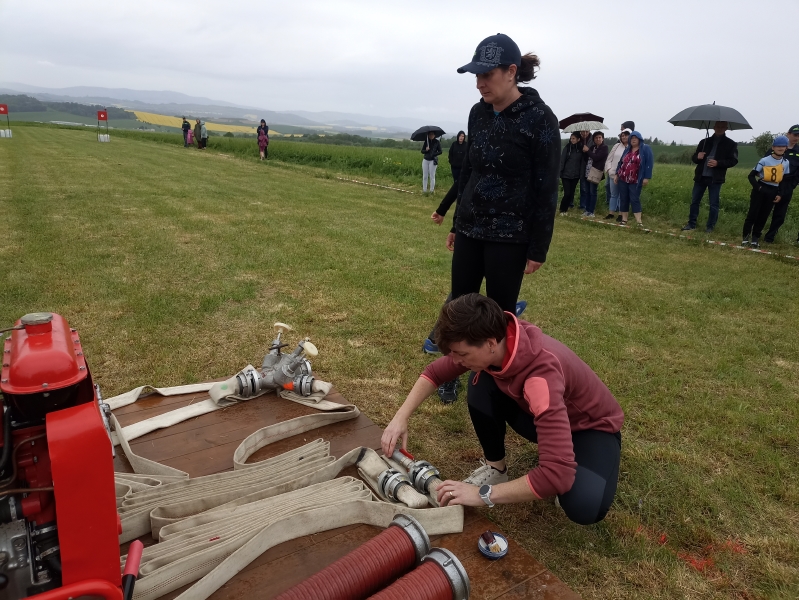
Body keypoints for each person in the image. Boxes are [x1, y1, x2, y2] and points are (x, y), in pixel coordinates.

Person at [382, 294, 624, 525]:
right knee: (481, 381)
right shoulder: (498, 340)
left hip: (590, 428)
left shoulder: (541, 379)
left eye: (461, 353)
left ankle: (574, 457)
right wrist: (400, 418)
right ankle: (496, 468)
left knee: (583, 506)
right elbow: (435, 372)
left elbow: (556, 474)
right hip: (540, 416)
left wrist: (482, 494)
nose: (455, 361)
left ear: (490, 343)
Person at [422, 33, 560, 404]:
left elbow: (547, 188)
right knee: (459, 307)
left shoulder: (540, 119)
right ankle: (452, 373)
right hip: (472, 227)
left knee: (498, 315)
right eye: (476, 76)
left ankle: (494, 383)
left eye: (487, 74)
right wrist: (456, 223)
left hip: (511, 236)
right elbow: (469, 171)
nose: (480, 83)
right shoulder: (478, 113)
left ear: (511, 72)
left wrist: (538, 247)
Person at [681, 121, 739, 234]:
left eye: (722, 127)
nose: (720, 128)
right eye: (718, 126)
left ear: (726, 128)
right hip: (700, 177)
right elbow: (695, 158)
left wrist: (718, 163)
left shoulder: (731, 144)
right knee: (695, 201)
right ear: (714, 127)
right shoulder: (704, 142)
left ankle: (710, 227)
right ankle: (691, 224)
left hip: (715, 178)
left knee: (714, 204)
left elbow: (733, 161)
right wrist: (698, 157)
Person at [742, 136, 791, 249]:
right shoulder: (764, 160)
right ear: (773, 147)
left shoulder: (786, 162)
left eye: (783, 146)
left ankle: (755, 239)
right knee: (753, 214)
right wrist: (758, 188)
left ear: (786, 148)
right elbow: (751, 176)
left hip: (773, 191)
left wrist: (780, 194)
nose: (780, 148)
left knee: (763, 216)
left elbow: (784, 180)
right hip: (761, 188)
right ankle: (745, 238)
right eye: (778, 146)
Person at [763, 125, 799, 243]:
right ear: (788, 134)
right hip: (771, 184)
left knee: (780, 215)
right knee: (764, 210)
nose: (796, 138)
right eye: (795, 135)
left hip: (787, 186)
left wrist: (791, 186)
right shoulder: (776, 147)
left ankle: (770, 237)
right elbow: (765, 164)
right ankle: (756, 233)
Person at [613, 131, 653, 226]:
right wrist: (617, 174)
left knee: (634, 199)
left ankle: (639, 222)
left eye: (635, 138)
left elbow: (649, 163)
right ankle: (624, 220)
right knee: (623, 199)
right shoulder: (627, 149)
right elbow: (621, 162)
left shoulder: (645, 148)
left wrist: (646, 177)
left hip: (635, 179)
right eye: (632, 138)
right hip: (623, 178)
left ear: (640, 139)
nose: (633, 140)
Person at [604, 129, 630, 221]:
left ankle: (620, 214)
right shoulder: (616, 146)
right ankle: (611, 213)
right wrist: (609, 169)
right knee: (613, 194)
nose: (624, 137)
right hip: (613, 174)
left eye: (626, 135)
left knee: (622, 195)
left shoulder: (631, 148)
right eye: (622, 136)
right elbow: (609, 159)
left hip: (624, 176)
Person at [584, 131, 608, 218]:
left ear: (602, 139)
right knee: (587, 191)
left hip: (596, 171)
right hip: (588, 170)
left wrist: (588, 151)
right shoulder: (592, 147)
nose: (598, 139)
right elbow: (587, 157)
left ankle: (591, 211)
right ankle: (587, 210)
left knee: (592, 191)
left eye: (599, 137)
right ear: (593, 139)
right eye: (596, 138)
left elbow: (596, 157)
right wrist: (585, 151)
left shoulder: (604, 148)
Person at [558, 133, 583, 214]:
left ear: (578, 139)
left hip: (576, 175)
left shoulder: (581, 149)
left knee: (571, 193)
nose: (572, 140)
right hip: (566, 174)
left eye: (573, 138)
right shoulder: (567, 148)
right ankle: (562, 209)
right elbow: (562, 160)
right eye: (571, 138)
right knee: (567, 193)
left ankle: (566, 210)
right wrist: (560, 172)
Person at [578, 130, 593, 211]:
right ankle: (582, 205)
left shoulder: (593, 139)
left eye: (586, 132)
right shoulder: (578, 139)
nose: (584, 133)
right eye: (583, 132)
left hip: (590, 165)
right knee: (583, 186)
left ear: (589, 131)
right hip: (581, 165)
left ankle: (589, 205)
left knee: (590, 188)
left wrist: (587, 150)